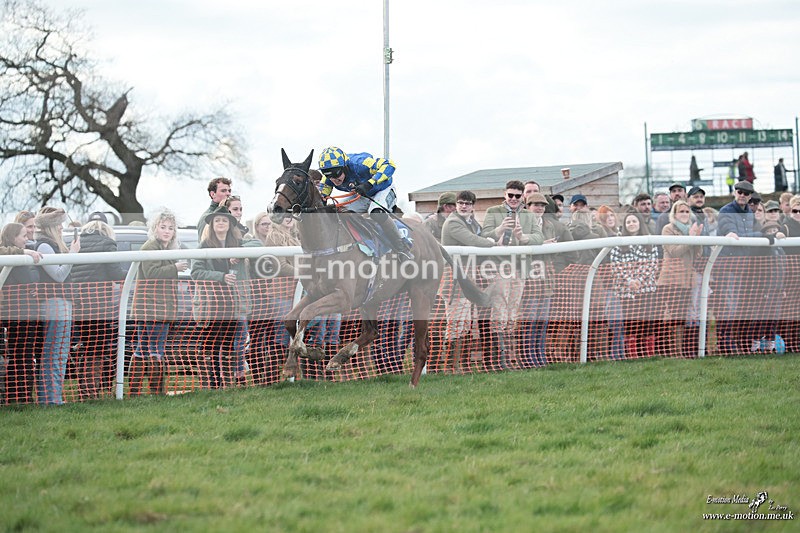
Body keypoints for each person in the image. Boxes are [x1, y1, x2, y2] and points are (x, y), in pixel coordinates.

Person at [481, 180, 545, 370]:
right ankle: (497, 360)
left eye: (518, 196)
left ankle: (509, 358)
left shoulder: (528, 215)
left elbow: (538, 237)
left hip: (520, 268)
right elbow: (484, 235)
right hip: (500, 267)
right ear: (505, 195)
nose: (514, 199)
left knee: (513, 310)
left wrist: (523, 238)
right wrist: (500, 230)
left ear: (522, 197)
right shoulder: (493, 212)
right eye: (511, 195)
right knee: (500, 309)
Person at [130, 209, 189, 396]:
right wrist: (175, 267)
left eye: (170, 228)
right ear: (155, 228)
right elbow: (152, 274)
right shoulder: (150, 248)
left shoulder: (167, 250)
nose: (166, 231)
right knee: (152, 349)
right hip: (152, 306)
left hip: (157, 306)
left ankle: (136, 392)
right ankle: (154, 392)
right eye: (163, 227)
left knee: (145, 348)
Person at [69, 217, 128, 399]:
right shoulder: (107, 243)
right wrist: (135, 272)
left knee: (87, 346)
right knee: (98, 348)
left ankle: (85, 391)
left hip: (78, 303)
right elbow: (116, 273)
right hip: (98, 304)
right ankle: (90, 392)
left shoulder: (77, 243)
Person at [317, 146, 412, 259]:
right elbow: (322, 192)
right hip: (362, 195)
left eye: (336, 173)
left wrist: (370, 183)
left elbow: (390, 165)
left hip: (383, 190)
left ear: (345, 166)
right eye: (327, 174)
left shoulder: (360, 164)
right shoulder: (329, 178)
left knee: (376, 213)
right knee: (338, 213)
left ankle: (401, 247)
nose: (333, 179)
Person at [191, 206, 250, 389]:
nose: (221, 223)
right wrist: (221, 277)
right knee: (214, 346)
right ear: (212, 224)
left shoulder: (238, 244)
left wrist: (237, 255)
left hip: (234, 302)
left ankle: (231, 382)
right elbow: (196, 272)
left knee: (232, 345)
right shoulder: (204, 245)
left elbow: (256, 245)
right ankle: (214, 384)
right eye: (217, 220)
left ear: (230, 224)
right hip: (213, 303)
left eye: (224, 220)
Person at [441, 191, 495, 371]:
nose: (463, 206)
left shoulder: (471, 222)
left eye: (467, 203)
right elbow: (473, 241)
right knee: (456, 323)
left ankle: (461, 366)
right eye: (461, 203)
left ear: (473, 206)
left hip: (468, 278)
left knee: (465, 324)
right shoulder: (454, 222)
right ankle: (450, 367)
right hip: (455, 280)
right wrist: (492, 242)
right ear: (456, 205)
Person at [245, 211, 301, 385]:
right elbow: (281, 266)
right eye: (285, 215)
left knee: (291, 336)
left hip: (296, 293)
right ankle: (272, 380)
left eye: (291, 214)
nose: (288, 217)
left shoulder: (296, 236)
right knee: (281, 337)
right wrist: (305, 273)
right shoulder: (275, 236)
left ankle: (283, 378)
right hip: (281, 293)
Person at [34, 206, 80, 405]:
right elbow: (59, 276)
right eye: (59, 224)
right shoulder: (44, 246)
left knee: (60, 352)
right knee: (55, 352)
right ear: (51, 227)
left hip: (62, 304)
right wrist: (72, 254)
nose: (62, 228)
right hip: (55, 304)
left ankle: (53, 398)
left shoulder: (50, 244)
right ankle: (52, 400)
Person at [716, 180, 761, 354]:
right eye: (739, 192)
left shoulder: (749, 212)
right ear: (735, 193)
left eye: (746, 193)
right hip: (728, 267)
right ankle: (725, 343)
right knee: (729, 306)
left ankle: (736, 342)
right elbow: (736, 235)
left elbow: (752, 233)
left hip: (744, 266)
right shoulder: (726, 211)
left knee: (740, 306)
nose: (742, 195)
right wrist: (763, 235)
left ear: (750, 196)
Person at [0, 223, 41, 403]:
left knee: (19, 355)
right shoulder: (11, 255)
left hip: (17, 311)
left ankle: (17, 396)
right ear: (12, 237)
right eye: (24, 235)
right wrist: (26, 254)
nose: (27, 239)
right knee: (21, 355)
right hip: (18, 312)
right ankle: (20, 396)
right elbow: (30, 279)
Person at [609, 213, 658, 358]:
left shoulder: (650, 242)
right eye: (628, 221)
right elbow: (615, 265)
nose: (631, 224)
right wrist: (629, 281)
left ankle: (649, 354)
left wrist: (640, 280)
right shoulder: (618, 244)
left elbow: (653, 264)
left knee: (647, 322)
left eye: (634, 221)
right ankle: (632, 354)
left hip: (647, 288)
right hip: (626, 291)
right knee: (631, 322)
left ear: (640, 223)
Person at [657, 201, 703, 357]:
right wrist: (690, 239)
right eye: (681, 211)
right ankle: (672, 352)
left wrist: (697, 239)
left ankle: (679, 351)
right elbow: (674, 251)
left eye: (686, 211)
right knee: (673, 315)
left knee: (682, 317)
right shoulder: (668, 229)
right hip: (671, 279)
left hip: (686, 279)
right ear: (674, 214)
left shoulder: (690, 230)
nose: (684, 214)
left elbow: (698, 254)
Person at [220, 194, 250, 383]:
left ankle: (238, 373)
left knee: (241, 336)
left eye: (240, 209)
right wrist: (226, 259)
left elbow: (256, 244)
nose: (239, 213)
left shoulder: (243, 233)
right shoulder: (221, 231)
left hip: (242, 291)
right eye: (235, 209)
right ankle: (228, 374)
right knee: (228, 338)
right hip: (224, 294)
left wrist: (241, 248)